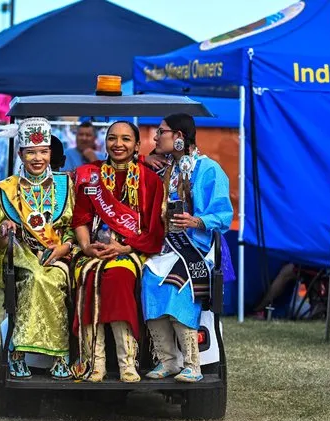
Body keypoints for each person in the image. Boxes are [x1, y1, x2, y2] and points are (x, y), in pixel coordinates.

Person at [0, 118, 76, 379]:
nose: (37, 158)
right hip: (23, 255)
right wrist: (4, 231)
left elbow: (75, 227)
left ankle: (55, 354)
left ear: (50, 153)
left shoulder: (65, 185)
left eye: (43, 152)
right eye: (31, 152)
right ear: (21, 154)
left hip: (59, 255)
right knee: (36, 278)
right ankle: (24, 351)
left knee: (52, 278)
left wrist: (65, 247)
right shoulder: (9, 189)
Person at [140, 113, 232, 383]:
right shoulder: (165, 168)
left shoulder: (209, 170)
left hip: (197, 248)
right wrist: (143, 160)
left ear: (178, 137)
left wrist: (196, 220)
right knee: (149, 280)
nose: (155, 137)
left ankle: (193, 364)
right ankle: (168, 360)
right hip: (166, 247)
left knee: (176, 285)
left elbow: (224, 215)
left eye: (161, 132)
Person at [71, 121, 165, 383]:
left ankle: (127, 363)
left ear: (137, 145)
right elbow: (80, 218)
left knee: (119, 277)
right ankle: (95, 363)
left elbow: (154, 230)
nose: (118, 144)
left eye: (126, 139)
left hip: (131, 250)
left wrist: (125, 246)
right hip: (94, 251)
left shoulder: (149, 180)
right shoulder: (91, 176)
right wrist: (87, 246)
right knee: (87, 280)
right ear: (105, 143)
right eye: (113, 138)